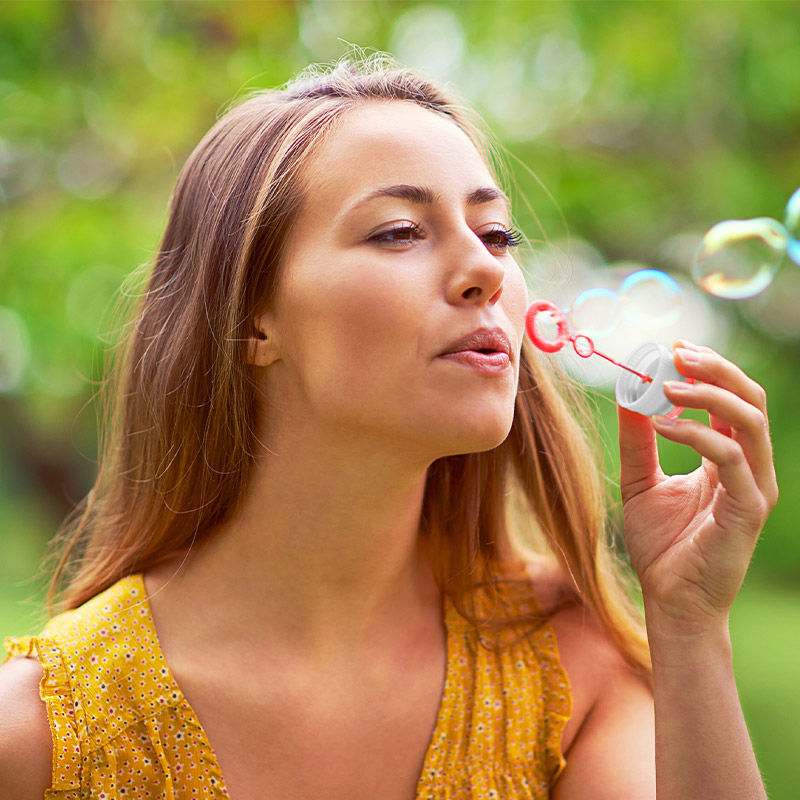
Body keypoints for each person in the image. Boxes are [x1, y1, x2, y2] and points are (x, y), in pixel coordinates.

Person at [0, 54, 777, 800]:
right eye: (400, 231)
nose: (488, 270)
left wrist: (690, 627)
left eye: (497, 233)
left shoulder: (574, 671)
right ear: (250, 322)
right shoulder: (39, 733)